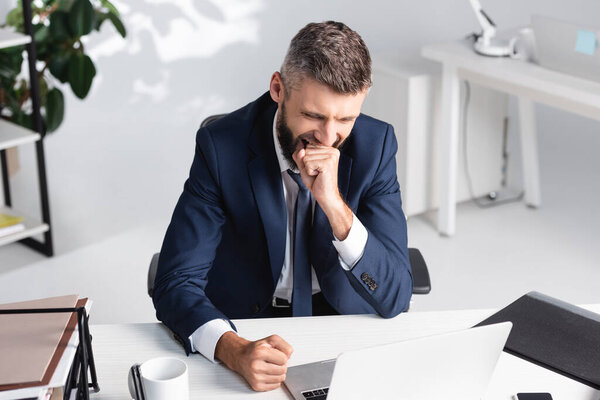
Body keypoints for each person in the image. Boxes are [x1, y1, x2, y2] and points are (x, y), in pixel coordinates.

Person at [152, 20, 413, 392]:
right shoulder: (220, 146)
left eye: (345, 119)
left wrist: (334, 204)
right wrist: (232, 349)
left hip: (342, 321)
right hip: (246, 321)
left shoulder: (376, 146)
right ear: (278, 89)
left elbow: (396, 294)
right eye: (314, 115)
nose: (328, 138)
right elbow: (175, 281)